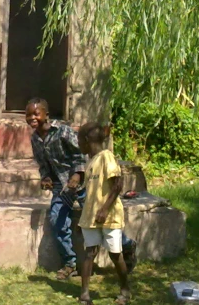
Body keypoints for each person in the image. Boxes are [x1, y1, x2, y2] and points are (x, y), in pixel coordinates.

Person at [26, 97, 87, 280]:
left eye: (36, 113)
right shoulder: (35, 139)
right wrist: (45, 177)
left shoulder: (63, 131)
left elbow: (80, 153)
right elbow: (42, 163)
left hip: (81, 184)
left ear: (46, 114)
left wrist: (77, 174)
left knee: (99, 220)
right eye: (28, 115)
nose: (32, 118)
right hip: (61, 188)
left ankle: (125, 245)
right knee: (57, 220)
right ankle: (70, 263)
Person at [76, 122, 131, 305]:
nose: (78, 145)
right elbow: (91, 194)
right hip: (91, 217)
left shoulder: (106, 156)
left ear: (85, 140)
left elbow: (117, 185)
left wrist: (105, 208)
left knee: (115, 254)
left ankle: (125, 290)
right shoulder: (90, 162)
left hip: (109, 216)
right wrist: (84, 218)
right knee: (89, 253)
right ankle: (84, 295)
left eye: (78, 140)